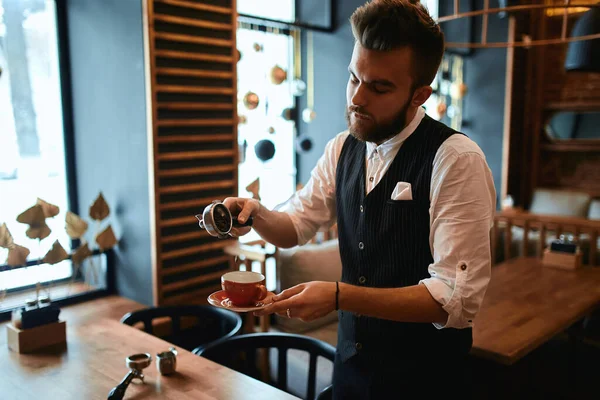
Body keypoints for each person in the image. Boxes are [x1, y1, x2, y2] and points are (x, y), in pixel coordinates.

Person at [222, 0, 496, 398]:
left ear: (420, 94)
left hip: (425, 381)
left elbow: (453, 299)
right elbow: (295, 226)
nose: (357, 98)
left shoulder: (455, 160)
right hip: (351, 370)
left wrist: (338, 296)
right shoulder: (341, 149)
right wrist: (257, 213)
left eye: (379, 87)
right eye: (354, 78)